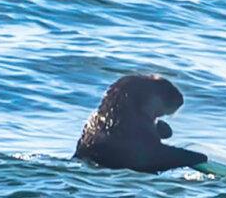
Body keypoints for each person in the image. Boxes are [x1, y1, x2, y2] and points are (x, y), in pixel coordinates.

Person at [74, 74, 208, 173]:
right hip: (115, 171)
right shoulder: (131, 126)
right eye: (158, 114)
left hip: (85, 166)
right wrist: (194, 158)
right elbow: (150, 158)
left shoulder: (99, 121)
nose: (157, 117)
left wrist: (155, 131)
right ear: (152, 100)